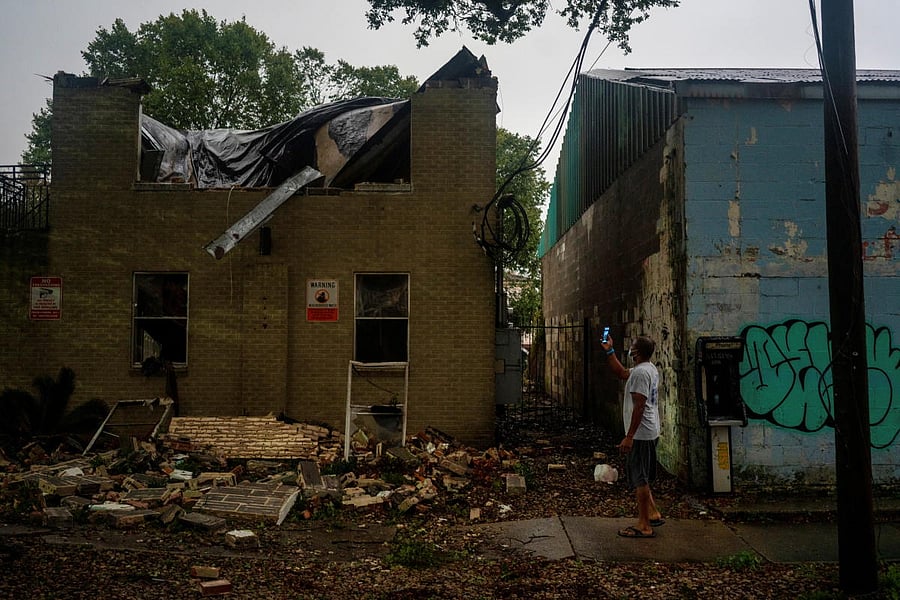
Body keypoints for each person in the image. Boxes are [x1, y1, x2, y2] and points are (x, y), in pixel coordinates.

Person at [601, 333, 663, 538]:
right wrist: (609, 350)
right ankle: (653, 512)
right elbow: (621, 373)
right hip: (650, 430)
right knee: (642, 474)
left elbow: (639, 405)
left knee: (640, 479)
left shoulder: (640, 374)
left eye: (632, 347)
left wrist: (629, 436)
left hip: (641, 434)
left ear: (635, 352)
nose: (630, 349)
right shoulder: (648, 369)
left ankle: (644, 525)